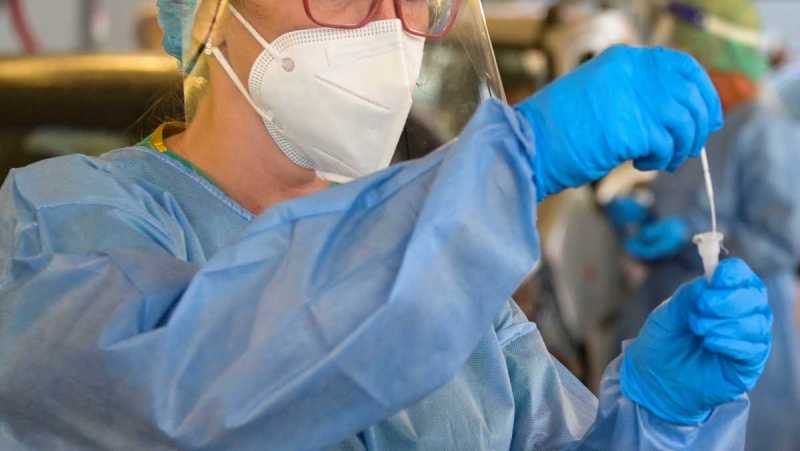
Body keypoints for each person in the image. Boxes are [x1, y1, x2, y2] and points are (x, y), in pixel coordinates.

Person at [0, 0, 771, 449]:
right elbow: (171, 390)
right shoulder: (59, 224)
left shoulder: (446, 267)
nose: (392, 24)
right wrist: (516, 163)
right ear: (209, 12)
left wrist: (653, 418)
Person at [609, 1, 800, 450]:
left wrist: (689, 233)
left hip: (737, 328)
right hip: (674, 321)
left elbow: (782, 242)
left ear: (716, 55)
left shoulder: (761, 127)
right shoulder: (699, 127)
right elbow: (689, 199)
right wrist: (646, 216)